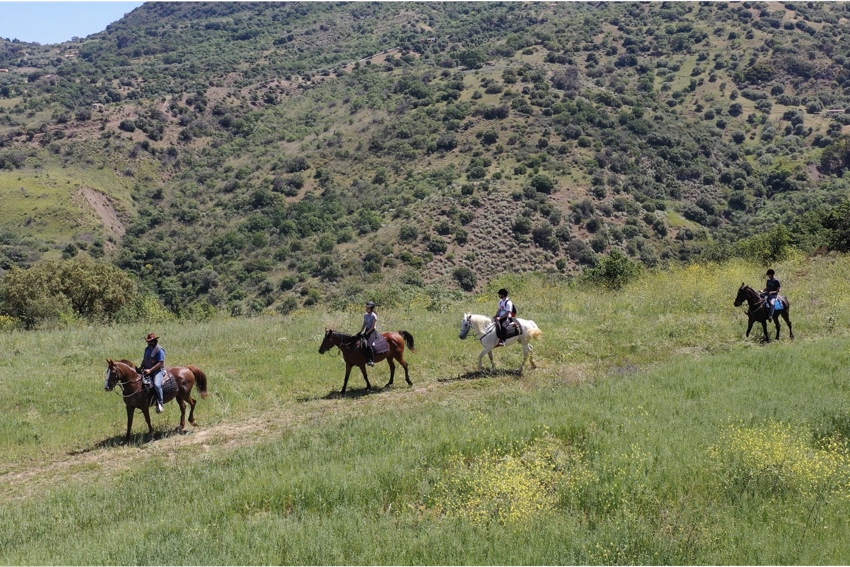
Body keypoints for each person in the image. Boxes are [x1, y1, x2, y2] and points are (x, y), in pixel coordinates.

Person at [141, 332, 166, 413]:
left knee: (157, 385)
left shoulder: (159, 350)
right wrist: (140, 367)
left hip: (157, 371)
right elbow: (144, 359)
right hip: (146, 370)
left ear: (154, 341)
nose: (149, 343)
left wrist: (150, 370)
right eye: (148, 341)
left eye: (150, 341)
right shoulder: (147, 349)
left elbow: (160, 363)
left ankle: (160, 403)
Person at [358, 301, 378, 366]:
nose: (366, 309)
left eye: (367, 308)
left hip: (372, 332)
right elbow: (364, 324)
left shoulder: (374, 316)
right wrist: (360, 331)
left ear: (371, 308)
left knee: (369, 345)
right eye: (366, 307)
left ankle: (372, 360)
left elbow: (373, 327)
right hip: (366, 331)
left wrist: (366, 333)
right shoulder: (365, 315)